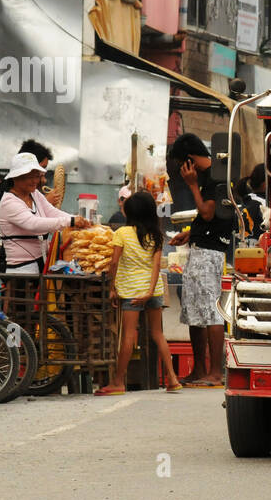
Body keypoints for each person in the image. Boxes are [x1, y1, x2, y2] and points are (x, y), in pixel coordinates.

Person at [97, 191, 181, 396]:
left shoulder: (122, 233)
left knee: (128, 336)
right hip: (153, 291)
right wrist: (150, 291)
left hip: (131, 290)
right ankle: (172, 378)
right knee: (158, 334)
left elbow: (114, 262)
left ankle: (117, 382)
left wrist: (112, 288)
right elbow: (156, 267)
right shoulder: (156, 235)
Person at [169, 134, 232, 387]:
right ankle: (199, 369)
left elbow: (208, 213)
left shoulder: (216, 177)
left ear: (189, 161)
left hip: (209, 255)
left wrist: (192, 185)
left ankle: (215, 373)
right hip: (200, 248)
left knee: (210, 312)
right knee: (194, 312)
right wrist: (190, 233)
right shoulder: (211, 176)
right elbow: (209, 220)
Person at [0, 153, 89, 274]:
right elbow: (33, 224)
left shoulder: (35, 194)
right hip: (22, 268)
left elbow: (52, 212)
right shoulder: (9, 202)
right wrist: (70, 221)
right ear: (16, 177)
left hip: (43, 262)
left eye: (36, 176)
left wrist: (79, 219)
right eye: (30, 177)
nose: (35, 181)